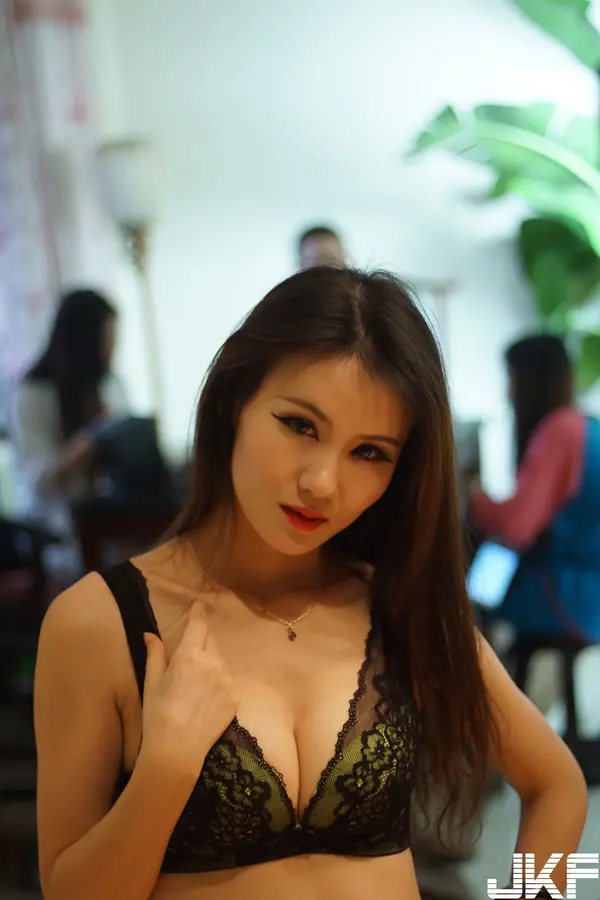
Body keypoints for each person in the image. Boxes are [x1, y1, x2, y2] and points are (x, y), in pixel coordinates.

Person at [34, 269, 586, 900]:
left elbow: (557, 785)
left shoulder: (399, 605)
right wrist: (164, 771)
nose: (322, 483)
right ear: (233, 402)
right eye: (300, 425)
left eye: (369, 452)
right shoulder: (97, 623)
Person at [469, 334, 600, 642]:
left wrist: (474, 500)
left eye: (510, 380)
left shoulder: (560, 430)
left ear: (529, 382)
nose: (507, 393)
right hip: (587, 595)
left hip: (573, 597)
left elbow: (516, 527)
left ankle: (470, 663)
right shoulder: (588, 427)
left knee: (467, 586)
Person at [13, 288, 128, 540]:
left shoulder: (109, 385)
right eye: (106, 343)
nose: (111, 353)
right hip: (54, 528)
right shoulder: (34, 394)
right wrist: (93, 438)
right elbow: (40, 481)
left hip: (108, 517)